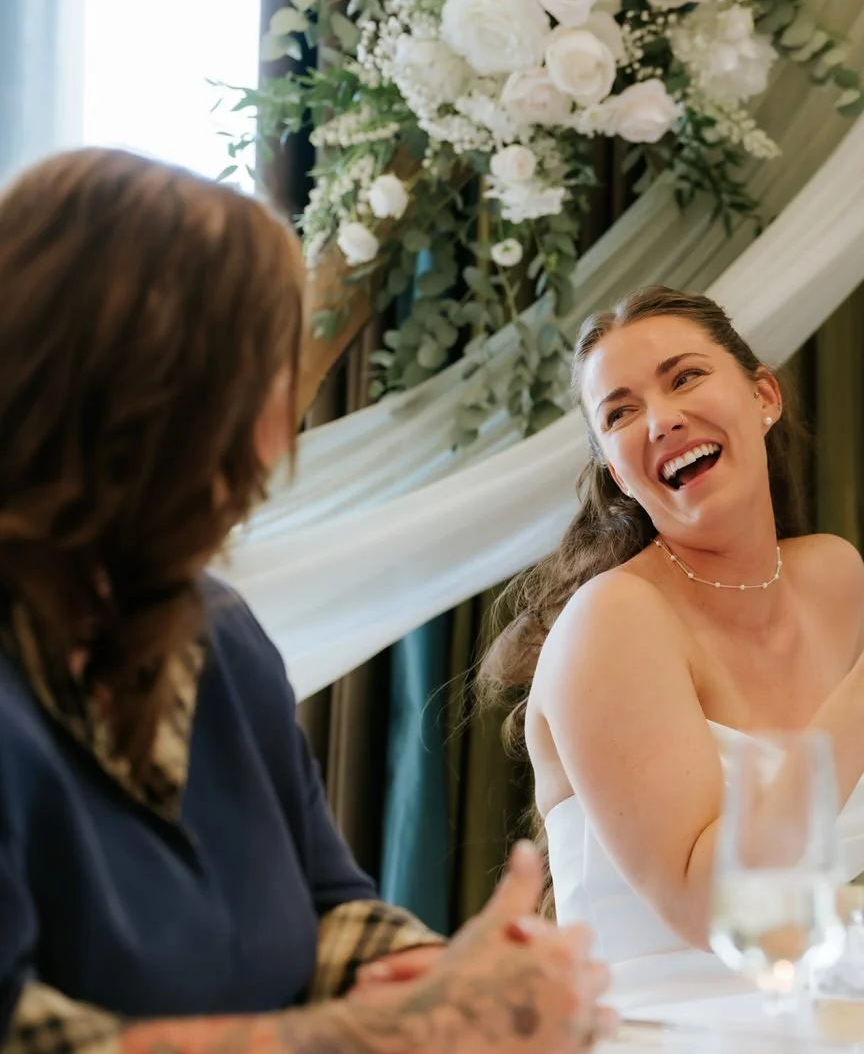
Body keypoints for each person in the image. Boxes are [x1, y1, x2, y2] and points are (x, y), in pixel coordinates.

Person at [0, 149, 609, 1053]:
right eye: (258, 376)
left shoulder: (218, 635)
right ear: (140, 397)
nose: (280, 432)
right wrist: (371, 1032)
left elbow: (329, 910)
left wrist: (456, 975)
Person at [479, 286, 864, 992]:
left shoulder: (831, 575)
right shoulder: (613, 620)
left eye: (684, 376)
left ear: (763, 397)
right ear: (617, 474)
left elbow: (835, 733)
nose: (660, 419)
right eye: (622, 412)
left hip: (833, 1016)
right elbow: (713, 910)